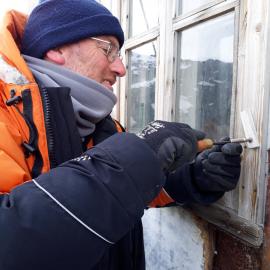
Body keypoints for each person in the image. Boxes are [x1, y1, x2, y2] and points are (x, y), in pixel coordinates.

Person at [0, 1, 242, 269]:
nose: (121, 69)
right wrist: (138, 155)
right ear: (56, 48)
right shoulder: (5, 116)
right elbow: (12, 241)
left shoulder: (99, 123)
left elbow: (115, 195)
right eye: (109, 50)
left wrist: (194, 179)